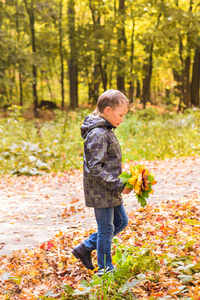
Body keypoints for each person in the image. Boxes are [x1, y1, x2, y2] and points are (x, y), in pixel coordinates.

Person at [72, 89, 132, 275]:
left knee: (121, 221)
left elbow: (109, 163)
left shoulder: (106, 130)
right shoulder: (98, 133)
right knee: (106, 229)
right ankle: (105, 269)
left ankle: (85, 247)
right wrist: (119, 185)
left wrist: (125, 179)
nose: (122, 119)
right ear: (107, 110)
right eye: (120, 115)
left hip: (110, 189)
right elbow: (95, 168)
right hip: (102, 191)